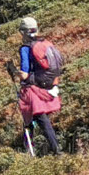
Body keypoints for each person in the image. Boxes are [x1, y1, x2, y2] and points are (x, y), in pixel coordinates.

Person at [10, 16, 62, 155]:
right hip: (49, 85)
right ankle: (51, 149)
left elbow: (25, 74)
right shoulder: (45, 43)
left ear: (23, 32)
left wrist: (14, 71)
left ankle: (50, 150)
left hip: (33, 88)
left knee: (37, 117)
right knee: (41, 118)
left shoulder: (25, 48)